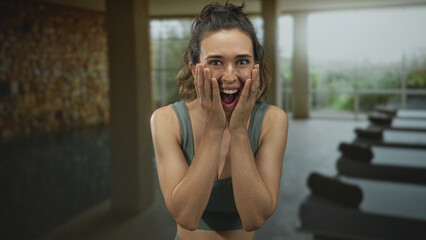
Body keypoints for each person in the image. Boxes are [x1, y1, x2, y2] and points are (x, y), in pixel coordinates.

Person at [150, 2, 288, 240]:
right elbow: (186, 215)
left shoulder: (273, 120)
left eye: (242, 61)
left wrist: (239, 131)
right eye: (216, 62)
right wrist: (215, 128)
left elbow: (255, 217)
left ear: (255, 67)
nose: (230, 76)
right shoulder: (166, 120)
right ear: (194, 70)